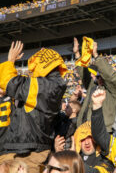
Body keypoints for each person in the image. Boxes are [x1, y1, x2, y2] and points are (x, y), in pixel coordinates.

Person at [0, 41, 67, 173]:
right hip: (20, 149)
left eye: (35, 64)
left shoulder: (49, 86)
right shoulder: (49, 84)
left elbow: (11, 82)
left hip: (30, 153)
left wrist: (10, 61)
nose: (31, 69)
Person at [75, 39, 116, 133]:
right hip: (85, 130)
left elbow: (110, 76)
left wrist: (95, 55)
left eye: (100, 76)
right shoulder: (93, 85)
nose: (97, 78)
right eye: (97, 76)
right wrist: (77, 54)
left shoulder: (113, 90)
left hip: (104, 131)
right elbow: (84, 74)